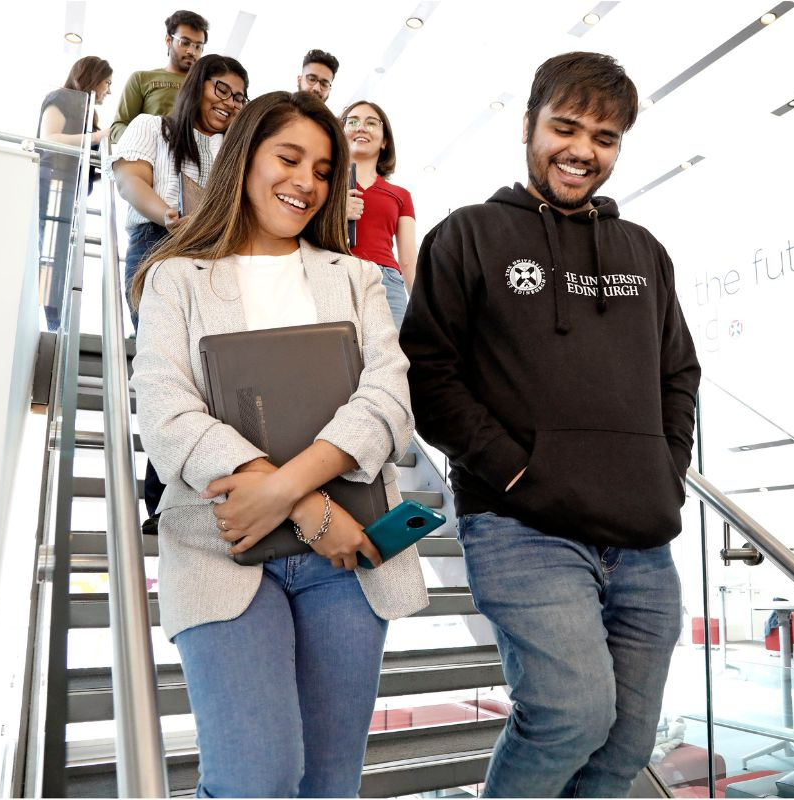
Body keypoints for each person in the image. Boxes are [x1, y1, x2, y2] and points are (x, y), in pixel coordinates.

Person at [400, 52, 701, 797]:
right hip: (520, 525)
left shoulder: (643, 251)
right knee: (570, 714)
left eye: (604, 137)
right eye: (566, 128)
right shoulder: (466, 236)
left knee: (627, 740)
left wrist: (664, 471)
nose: (582, 151)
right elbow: (429, 374)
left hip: (640, 536)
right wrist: (514, 467)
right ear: (529, 125)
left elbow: (678, 375)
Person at [128, 90, 428, 797]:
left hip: (346, 561)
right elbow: (167, 412)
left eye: (323, 170)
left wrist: (293, 494)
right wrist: (306, 510)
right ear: (244, 158)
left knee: (328, 784)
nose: (306, 183)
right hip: (220, 548)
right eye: (288, 158)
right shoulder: (176, 276)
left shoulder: (355, 276)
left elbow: (389, 399)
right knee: (252, 778)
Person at [107, 53, 247, 522]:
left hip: (214, 260)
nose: (229, 102)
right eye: (221, 89)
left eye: (238, 95)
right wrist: (169, 215)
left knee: (211, 378)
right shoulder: (152, 126)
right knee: (170, 373)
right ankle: (160, 501)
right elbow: (129, 180)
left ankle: (206, 489)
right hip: (158, 245)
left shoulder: (232, 152)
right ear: (197, 85)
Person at [37, 56, 112, 329]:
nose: (109, 90)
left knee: (63, 255)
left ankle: (58, 320)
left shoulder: (88, 112)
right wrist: (96, 137)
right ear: (94, 78)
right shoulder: (61, 97)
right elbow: (50, 138)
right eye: (107, 83)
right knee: (52, 253)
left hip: (72, 189)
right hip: (56, 183)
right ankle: (52, 323)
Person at [341, 100, 416, 329]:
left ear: (384, 141)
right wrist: (337, 213)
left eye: (371, 123)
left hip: (387, 283)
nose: (361, 127)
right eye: (353, 122)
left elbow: (409, 259)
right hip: (338, 275)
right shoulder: (324, 185)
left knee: (393, 359)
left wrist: (424, 307)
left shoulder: (401, 195)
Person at [109, 9, 209, 143]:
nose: (192, 51)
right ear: (168, 40)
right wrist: (145, 143)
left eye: (198, 46)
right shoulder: (141, 78)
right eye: (185, 42)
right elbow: (118, 127)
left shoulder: (207, 87)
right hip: (145, 156)